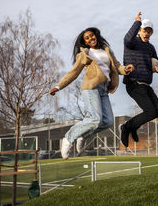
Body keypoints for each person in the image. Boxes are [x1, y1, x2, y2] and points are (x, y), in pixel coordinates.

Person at [49, 27, 134, 159]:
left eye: (91, 36)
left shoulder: (106, 50)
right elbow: (73, 72)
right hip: (90, 88)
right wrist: (58, 86)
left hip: (104, 89)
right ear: (85, 43)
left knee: (108, 121)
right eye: (87, 38)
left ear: (96, 36)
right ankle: (69, 138)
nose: (90, 39)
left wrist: (126, 69)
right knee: (95, 119)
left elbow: (116, 66)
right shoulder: (85, 54)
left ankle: (82, 134)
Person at [120, 12, 158, 148]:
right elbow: (127, 39)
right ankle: (126, 127)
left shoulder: (150, 47)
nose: (146, 33)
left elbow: (157, 64)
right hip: (133, 83)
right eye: (144, 30)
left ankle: (134, 127)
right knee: (150, 111)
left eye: (149, 31)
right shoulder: (132, 43)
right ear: (139, 31)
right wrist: (137, 22)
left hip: (146, 84)